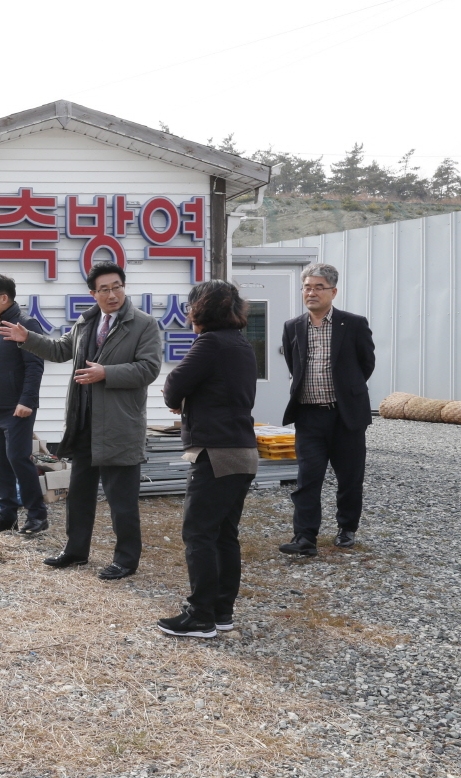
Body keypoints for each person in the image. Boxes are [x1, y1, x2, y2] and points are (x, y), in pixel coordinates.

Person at [0, 262, 161, 579]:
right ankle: (75, 552)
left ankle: (126, 560)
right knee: (80, 495)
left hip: (119, 427)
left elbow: (149, 369)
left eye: (117, 287)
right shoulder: (87, 322)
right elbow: (60, 350)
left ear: (123, 288)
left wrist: (106, 373)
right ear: (93, 293)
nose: (112, 294)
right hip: (84, 424)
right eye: (104, 289)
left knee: (122, 502)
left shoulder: (143, 324)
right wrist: (26, 337)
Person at [156, 280, 257, 638]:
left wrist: (182, 397)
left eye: (190, 306)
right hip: (243, 451)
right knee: (224, 535)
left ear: (201, 309)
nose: (187, 313)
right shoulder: (241, 343)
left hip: (216, 453)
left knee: (198, 532)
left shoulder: (210, 343)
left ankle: (199, 616)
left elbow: (173, 386)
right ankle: (221, 612)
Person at [278, 263, 375, 557]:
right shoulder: (292, 326)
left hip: (346, 416)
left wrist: (347, 391)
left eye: (318, 287)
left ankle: (347, 528)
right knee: (308, 479)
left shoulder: (354, 324)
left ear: (333, 291)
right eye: (307, 286)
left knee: (349, 478)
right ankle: (304, 537)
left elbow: (366, 365)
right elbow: (294, 367)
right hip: (309, 416)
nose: (311, 292)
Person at [0, 274, 48, 535]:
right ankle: (7, 515)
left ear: (3, 298)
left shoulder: (26, 325)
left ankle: (38, 516)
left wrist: (27, 401)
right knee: (0, 461)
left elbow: (34, 366)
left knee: (18, 459)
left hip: (19, 408)